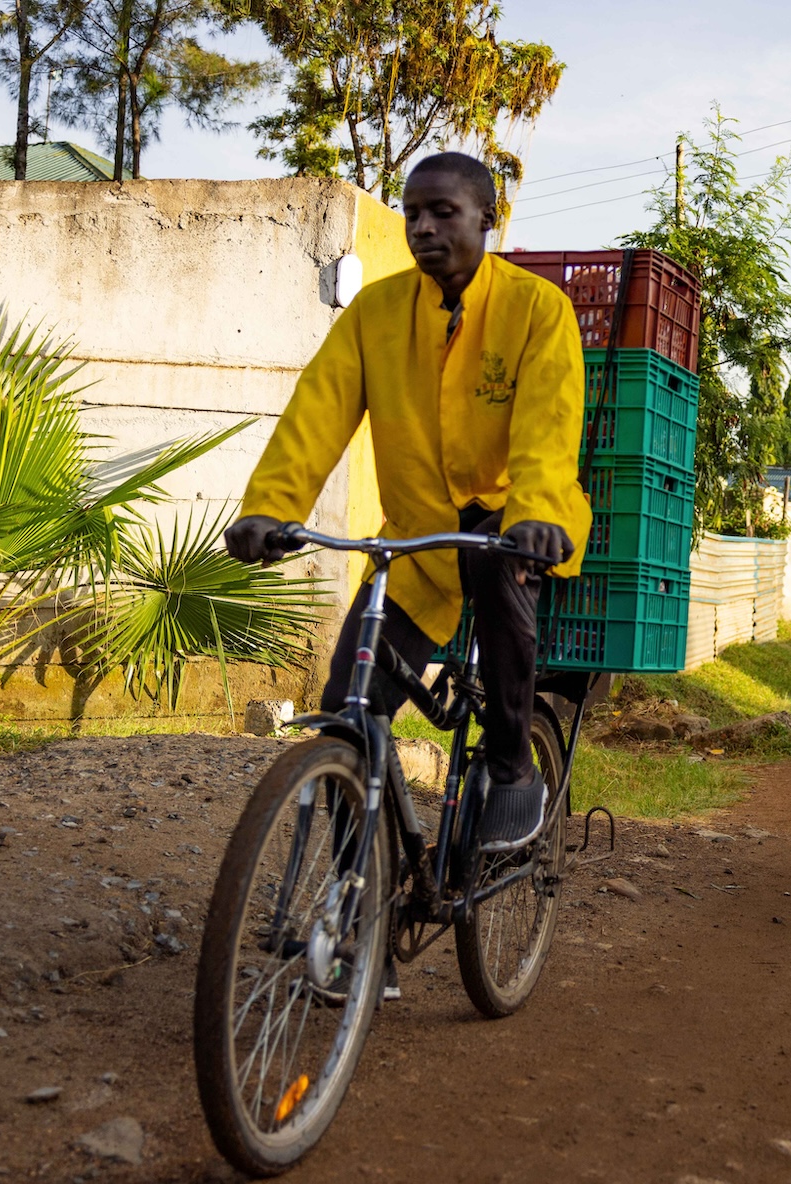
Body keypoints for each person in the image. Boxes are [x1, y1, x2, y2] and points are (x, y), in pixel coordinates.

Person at [224, 151, 591, 853]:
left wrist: (538, 512)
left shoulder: (536, 309)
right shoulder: (375, 313)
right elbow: (316, 413)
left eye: (442, 212)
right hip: (417, 540)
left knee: (501, 566)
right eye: (413, 213)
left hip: (514, 523)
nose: (422, 227)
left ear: (487, 219)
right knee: (346, 712)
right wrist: (270, 506)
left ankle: (512, 767)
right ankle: (359, 887)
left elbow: (547, 428)